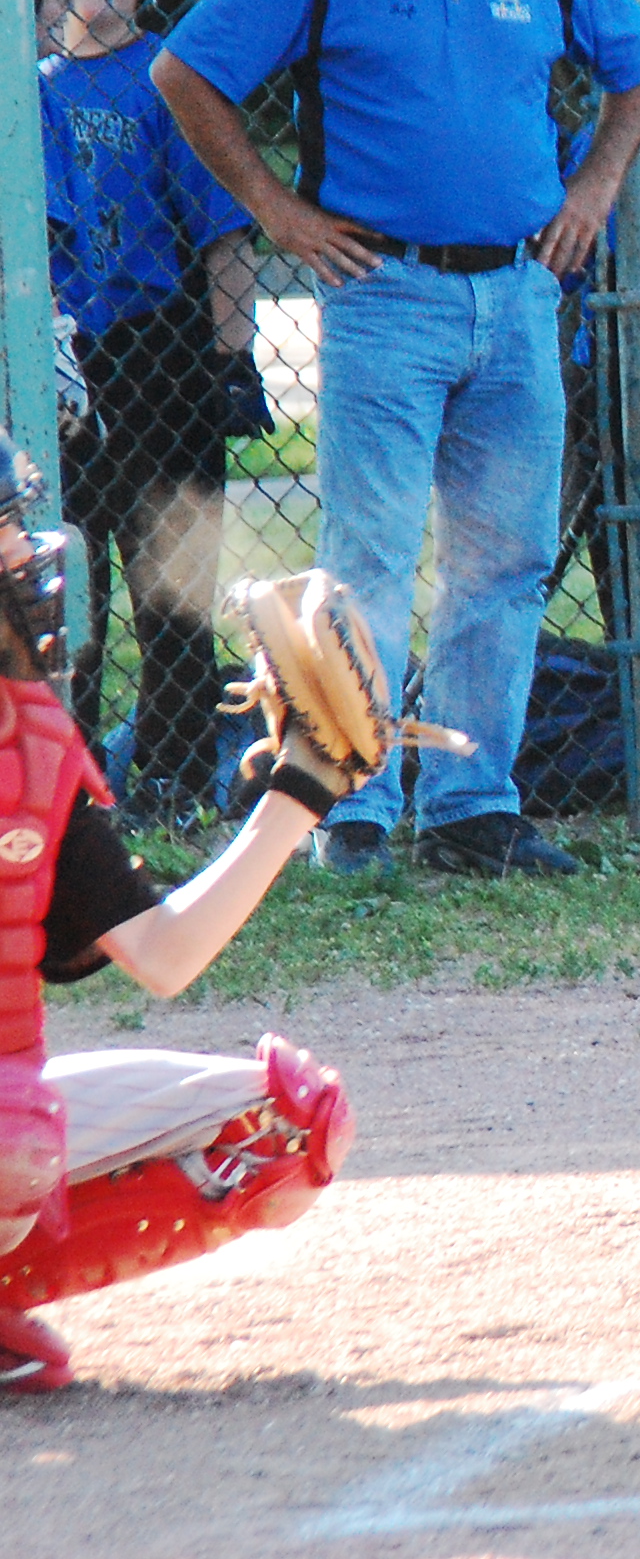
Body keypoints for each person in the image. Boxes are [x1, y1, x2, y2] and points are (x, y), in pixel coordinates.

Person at [152, 0, 640, 877]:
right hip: (381, 292)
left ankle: (472, 805)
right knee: (369, 561)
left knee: (506, 560)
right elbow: (184, 71)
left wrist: (592, 187)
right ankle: (354, 807)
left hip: (518, 295)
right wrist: (274, 207)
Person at [0, 441, 358, 1392]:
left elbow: (162, 953)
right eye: (1, 534)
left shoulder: (28, 750)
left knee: (284, 1129)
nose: (28, 556)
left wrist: (299, 793)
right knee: (9, 1132)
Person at [36, 0, 259, 815]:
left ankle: (172, 775)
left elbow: (224, 235)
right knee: (66, 579)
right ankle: (74, 781)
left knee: (173, 581)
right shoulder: (28, 86)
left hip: (159, 345)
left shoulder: (166, 76)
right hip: (60, 352)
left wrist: (233, 357)